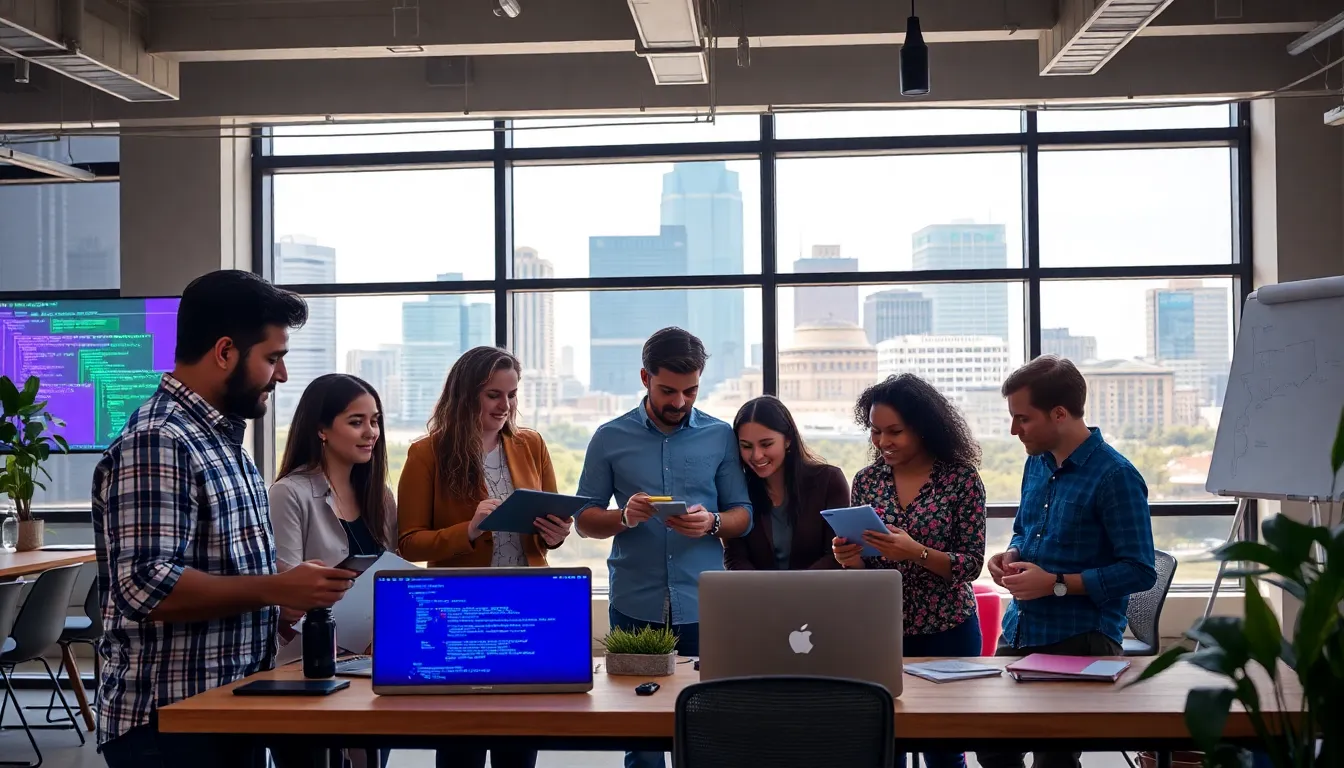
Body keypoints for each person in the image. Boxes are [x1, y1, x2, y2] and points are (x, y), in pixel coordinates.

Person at [92, 270, 357, 768]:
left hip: (224, 709)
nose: (280, 376)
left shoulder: (220, 442)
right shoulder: (161, 440)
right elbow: (146, 586)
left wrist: (278, 611)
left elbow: (220, 575)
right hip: (170, 725)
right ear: (225, 352)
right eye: (273, 358)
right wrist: (275, 589)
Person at [574, 327, 752, 768]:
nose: (679, 402)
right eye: (667, 390)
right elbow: (583, 520)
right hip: (635, 604)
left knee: (709, 731)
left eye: (690, 391)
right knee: (643, 738)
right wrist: (624, 517)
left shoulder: (719, 435)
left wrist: (711, 522)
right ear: (644, 377)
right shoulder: (609, 437)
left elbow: (742, 515)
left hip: (704, 604)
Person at [397, 346, 572, 768]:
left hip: (527, 606)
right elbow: (408, 543)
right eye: (494, 395)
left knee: (520, 739)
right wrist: (469, 530)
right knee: (462, 744)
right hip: (461, 612)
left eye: (512, 395)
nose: (505, 406)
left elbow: (550, 528)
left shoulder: (531, 444)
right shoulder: (426, 454)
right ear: (465, 394)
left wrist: (557, 533)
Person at [979, 355, 1156, 768]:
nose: (1013, 430)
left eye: (1022, 418)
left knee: (1052, 758)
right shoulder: (1036, 463)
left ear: (1059, 414)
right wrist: (1014, 555)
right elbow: (1025, 530)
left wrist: (1056, 582)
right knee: (988, 743)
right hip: (1022, 628)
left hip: (1081, 638)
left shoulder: (1116, 476)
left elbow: (1140, 569)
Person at [832, 373, 986, 768]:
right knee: (885, 745)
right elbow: (866, 569)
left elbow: (970, 564)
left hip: (948, 629)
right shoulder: (867, 481)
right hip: (883, 630)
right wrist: (850, 561)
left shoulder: (961, 479)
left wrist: (915, 551)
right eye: (875, 431)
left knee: (944, 749)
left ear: (922, 428)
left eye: (894, 431)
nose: (882, 442)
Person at [268, 373, 397, 768]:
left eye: (374, 420)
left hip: (370, 668)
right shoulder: (290, 493)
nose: (370, 432)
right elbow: (286, 588)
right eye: (356, 421)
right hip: (306, 668)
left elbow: (390, 578)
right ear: (321, 429)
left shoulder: (381, 496)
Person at [724, 395, 849, 571]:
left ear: (788, 440)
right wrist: (762, 591)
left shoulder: (829, 480)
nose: (756, 455)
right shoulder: (738, 488)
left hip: (818, 593)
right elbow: (735, 557)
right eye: (746, 446)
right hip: (757, 595)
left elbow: (836, 555)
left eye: (766, 444)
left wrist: (793, 590)